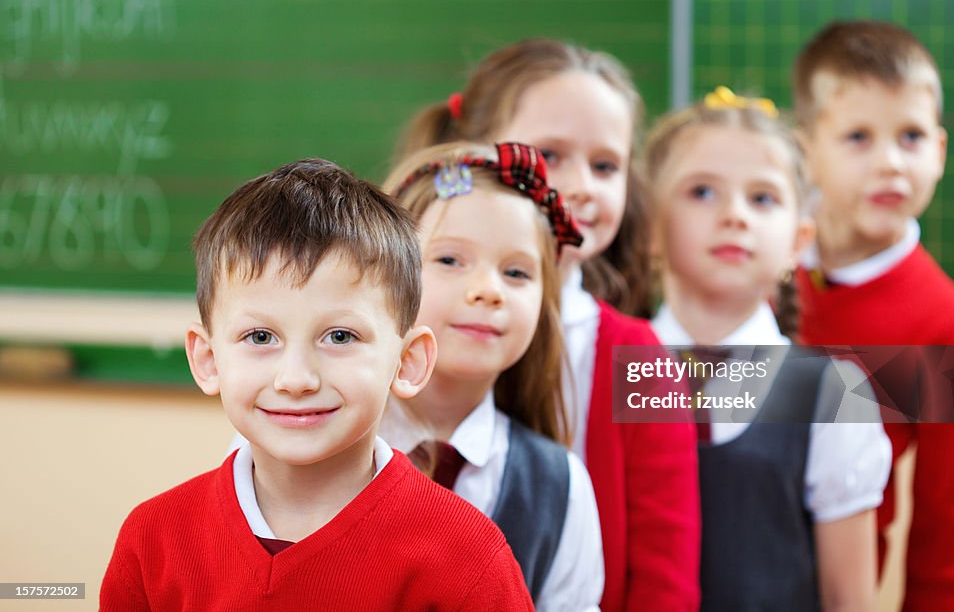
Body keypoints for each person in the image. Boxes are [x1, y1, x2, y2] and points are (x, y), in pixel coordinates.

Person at [100, 159, 534, 610]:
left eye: (340, 337)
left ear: (407, 361)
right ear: (208, 359)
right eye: (261, 337)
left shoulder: (467, 557)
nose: (296, 380)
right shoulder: (153, 542)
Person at [397, 38, 700, 612]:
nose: (581, 184)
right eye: (550, 156)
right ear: (473, 152)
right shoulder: (387, 327)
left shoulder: (641, 357)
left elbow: (668, 570)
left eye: (606, 164)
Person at [645, 86, 892, 611]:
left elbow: (850, 602)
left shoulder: (832, 393)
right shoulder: (606, 369)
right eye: (702, 192)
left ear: (798, 241)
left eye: (762, 198)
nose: (735, 215)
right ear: (650, 228)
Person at [792, 20, 954, 611]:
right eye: (858, 137)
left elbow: (948, 527)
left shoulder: (947, 323)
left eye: (911, 136)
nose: (890, 163)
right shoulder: (751, 266)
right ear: (806, 151)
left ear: (941, 150)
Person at [380, 141, 604, 611]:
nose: (487, 290)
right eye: (449, 261)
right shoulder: (309, 442)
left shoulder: (560, 485)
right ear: (384, 277)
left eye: (517, 272)